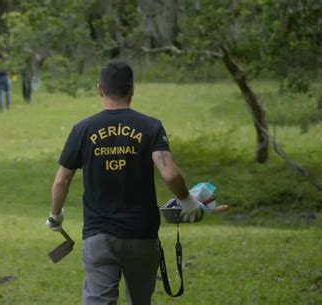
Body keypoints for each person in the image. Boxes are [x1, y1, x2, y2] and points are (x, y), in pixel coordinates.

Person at [46, 60, 205, 305]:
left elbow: (61, 180)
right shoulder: (150, 126)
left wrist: (55, 216)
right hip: (141, 235)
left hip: (99, 235)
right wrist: (187, 200)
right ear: (132, 89)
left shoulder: (83, 129)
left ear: (100, 89)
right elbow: (170, 174)